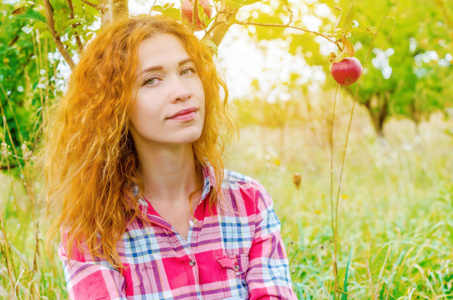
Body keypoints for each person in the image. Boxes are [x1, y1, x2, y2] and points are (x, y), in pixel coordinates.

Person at [40, 13, 297, 300]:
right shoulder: (92, 228)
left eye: (187, 71)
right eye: (151, 80)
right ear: (114, 107)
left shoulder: (248, 202)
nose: (181, 91)